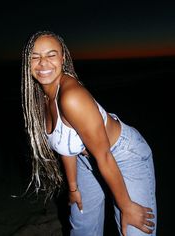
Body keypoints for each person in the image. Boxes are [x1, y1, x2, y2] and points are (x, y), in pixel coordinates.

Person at [21, 30, 157, 236]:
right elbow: (65, 145)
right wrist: (73, 189)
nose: (43, 63)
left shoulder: (71, 97)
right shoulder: (40, 99)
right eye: (35, 57)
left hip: (122, 154)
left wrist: (126, 205)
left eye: (51, 55)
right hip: (85, 161)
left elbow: (104, 155)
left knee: (134, 229)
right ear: (27, 62)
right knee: (82, 226)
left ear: (63, 58)